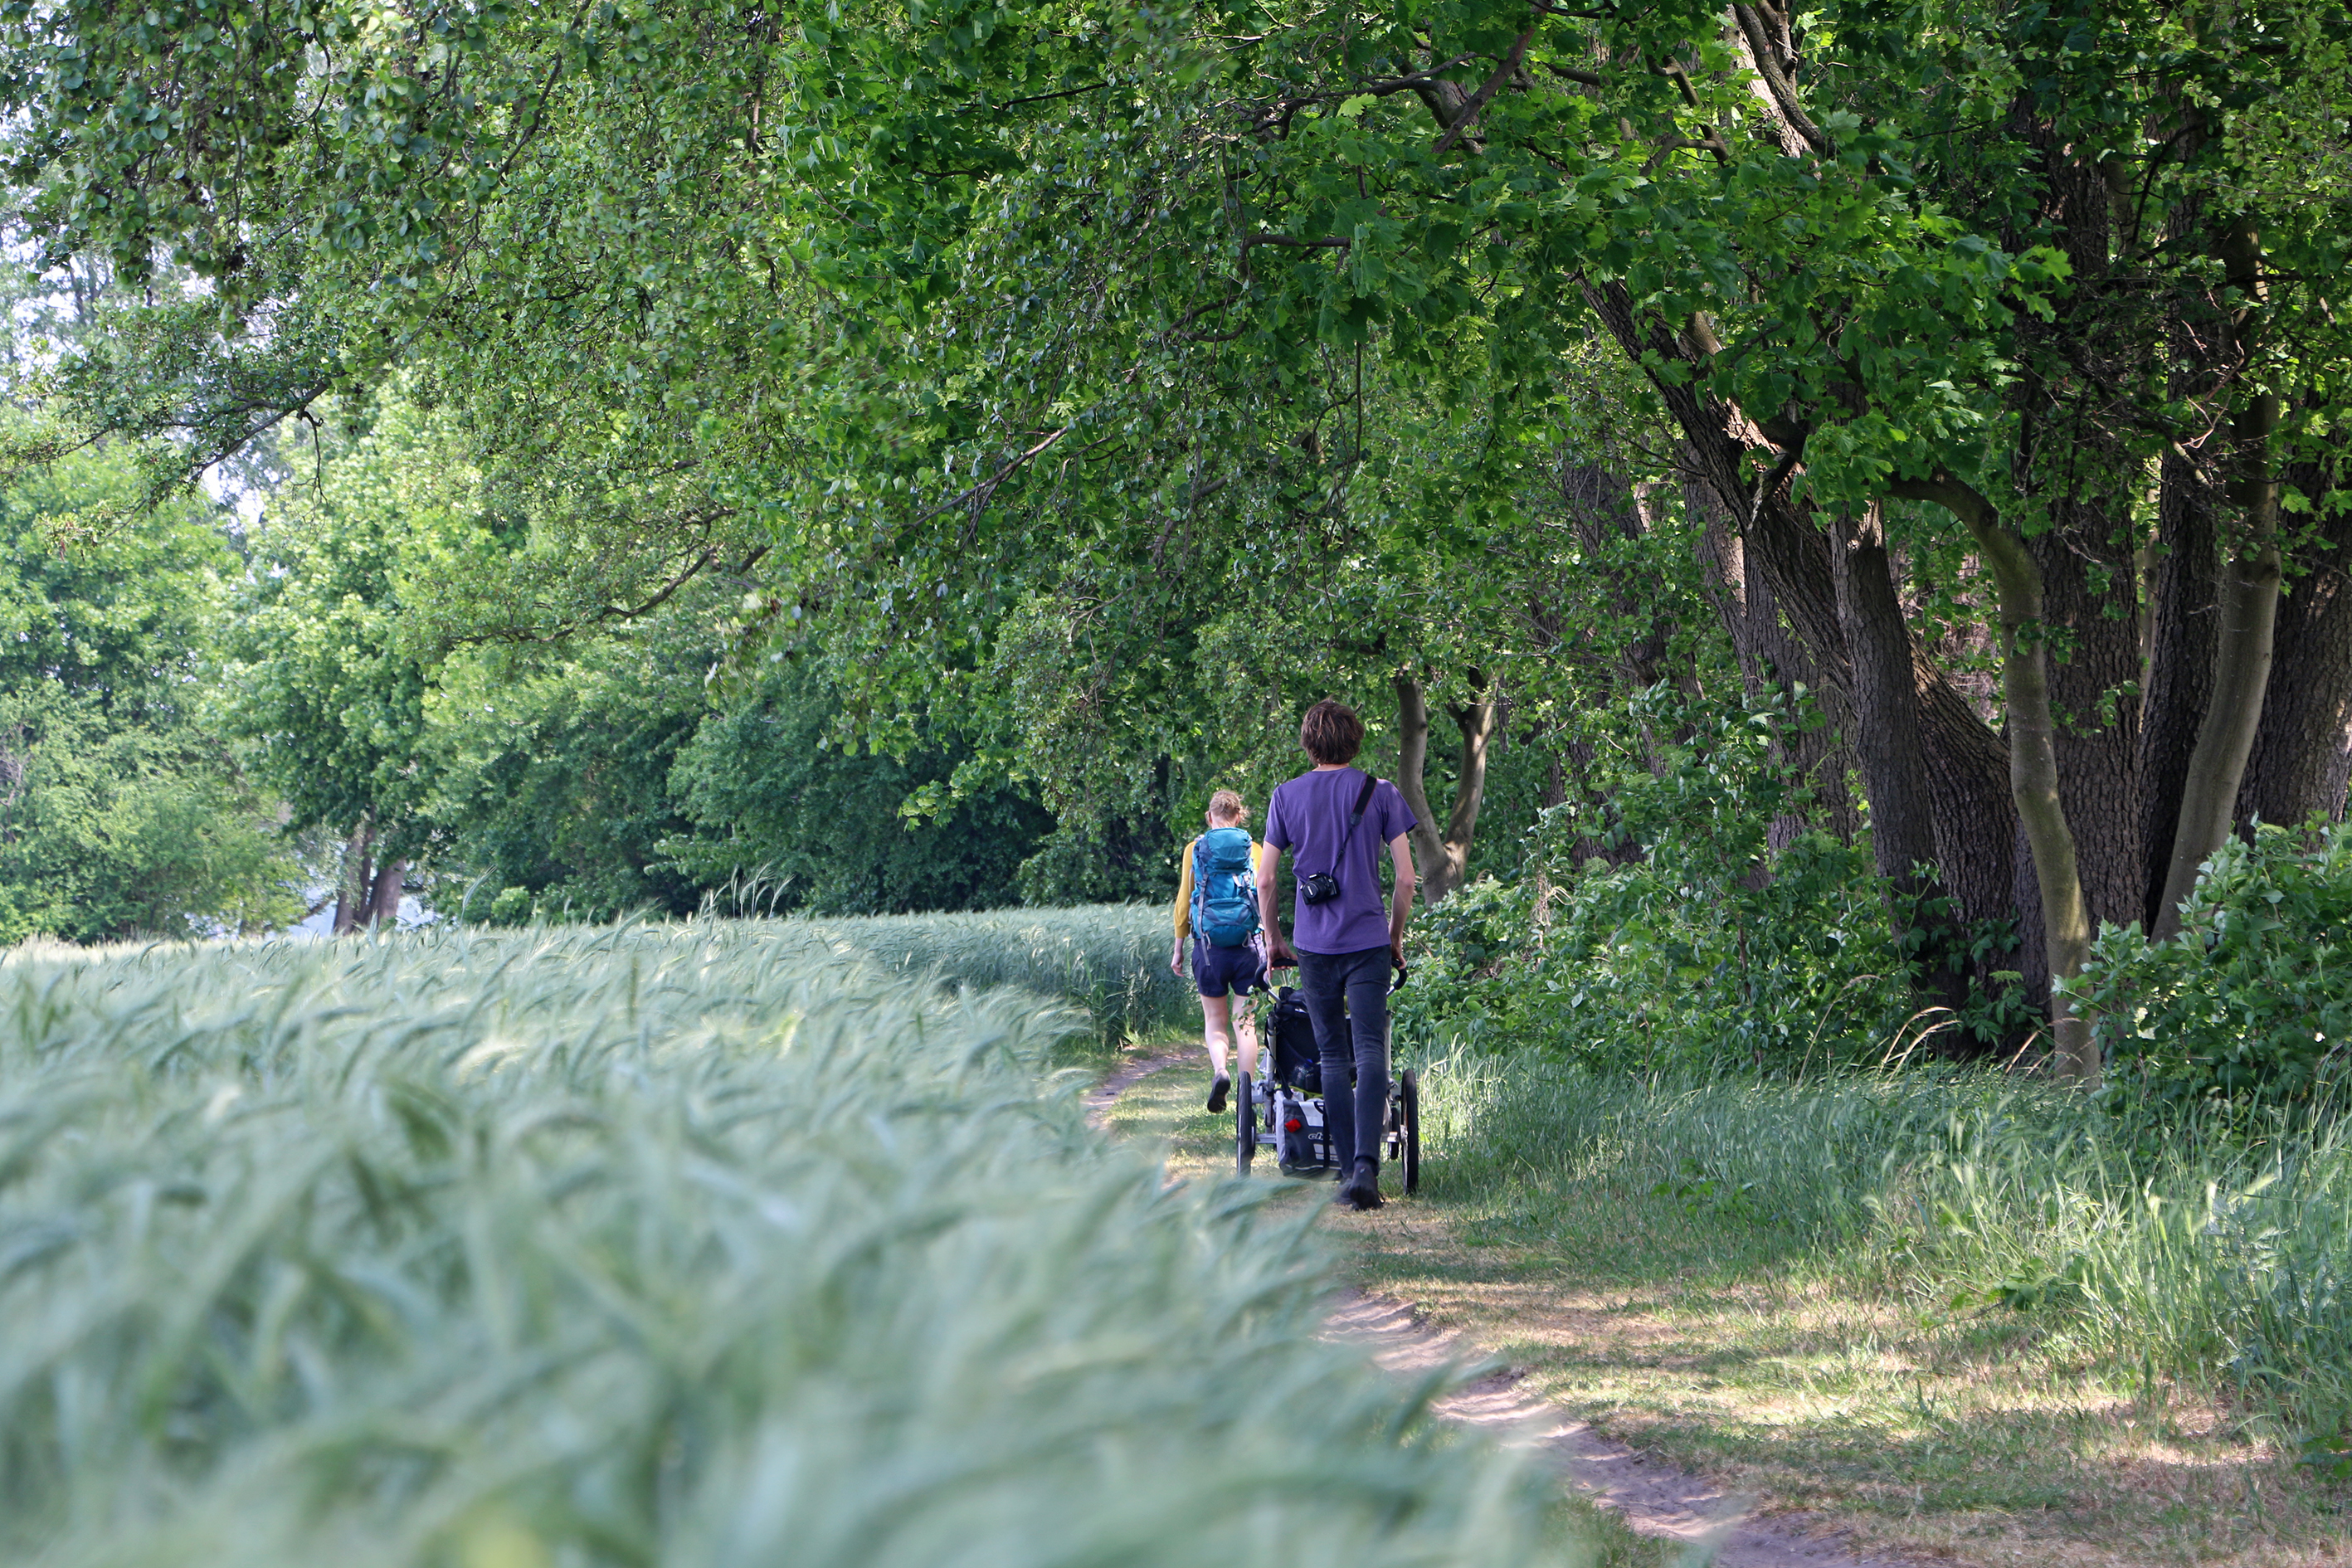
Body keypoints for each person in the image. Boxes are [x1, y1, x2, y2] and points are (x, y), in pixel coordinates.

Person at [1257, 699, 1417, 1210]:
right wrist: (1393, 938)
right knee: (1371, 1050)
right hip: (1369, 940)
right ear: (1355, 739)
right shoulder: (1382, 793)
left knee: (1331, 1053)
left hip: (1315, 946)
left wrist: (1274, 938)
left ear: (1308, 744)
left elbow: (1266, 878)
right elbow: (1407, 879)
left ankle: (1348, 1174)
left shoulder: (1285, 797)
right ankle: (1370, 1167)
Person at [1170, 788, 1271, 1114]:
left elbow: (1185, 900)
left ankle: (1220, 1071)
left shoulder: (1195, 849)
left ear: (1209, 817)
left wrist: (1179, 947)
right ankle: (1247, 1098)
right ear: (1239, 816)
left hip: (1209, 948)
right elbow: (1264, 894)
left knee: (1215, 1021)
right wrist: (1271, 943)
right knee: (1246, 1022)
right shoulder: (1254, 848)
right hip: (1249, 947)